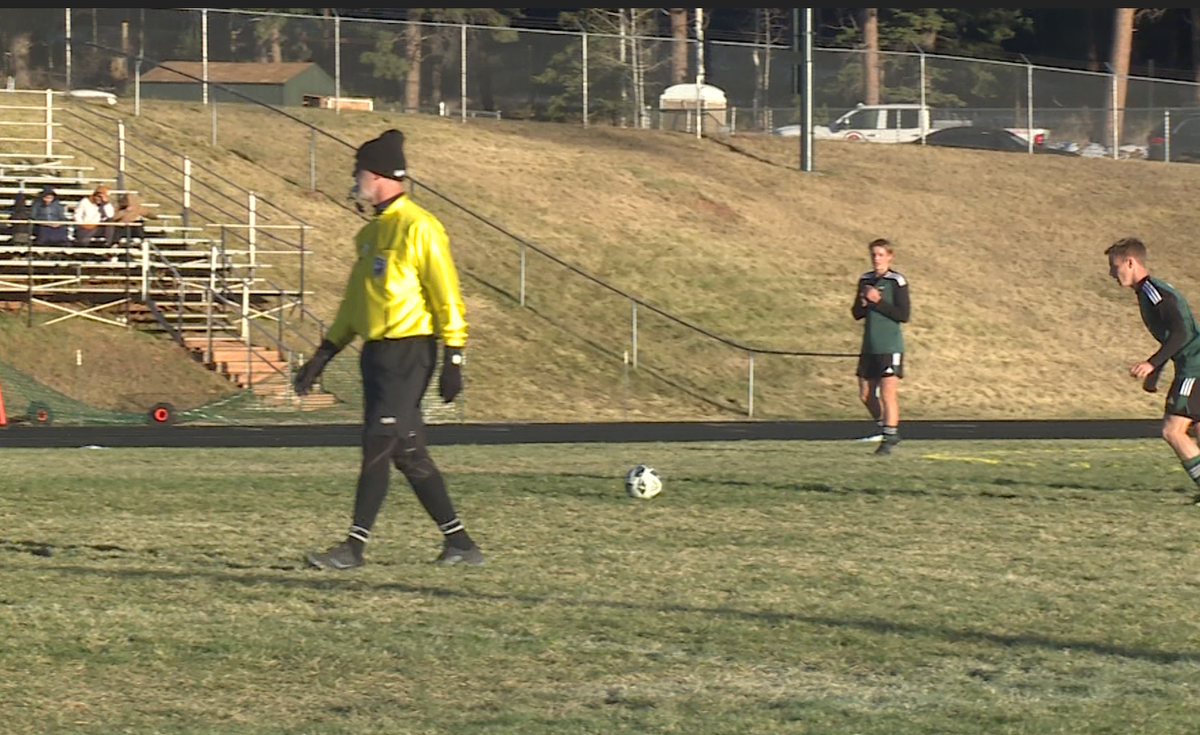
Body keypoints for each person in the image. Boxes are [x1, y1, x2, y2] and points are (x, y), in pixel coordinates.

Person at [293, 128, 483, 570]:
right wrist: (324, 353)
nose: (353, 177)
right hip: (376, 355)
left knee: (377, 442)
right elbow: (355, 305)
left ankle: (353, 547)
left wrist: (454, 356)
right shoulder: (371, 234)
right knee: (408, 452)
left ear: (376, 174)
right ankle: (461, 544)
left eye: (357, 168)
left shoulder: (420, 227)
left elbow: (446, 295)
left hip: (408, 352)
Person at [1106, 237, 1200, 504]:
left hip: (1194, 367)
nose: (1112, 273)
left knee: (1172, 431)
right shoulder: (1149, 291)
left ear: (1131, 262)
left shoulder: (1152, 291)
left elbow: (1181, 332)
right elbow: (1173, 335)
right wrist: (1155, 370)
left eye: (1115, 266)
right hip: (1194, 362)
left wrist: (1151, 363)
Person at [851, 238, 911, 455]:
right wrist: (863, 303)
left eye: (881, 254)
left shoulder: (897, 281)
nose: (877, 259)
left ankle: (889, 436)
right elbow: (857, 313)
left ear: (889, 256)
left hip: (889, 345)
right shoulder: (865, 279)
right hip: (869, 346)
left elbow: (903, 315)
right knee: (865, 394)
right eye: (873, 255)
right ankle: (884, 426)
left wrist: (878, 301)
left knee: (887, 392)